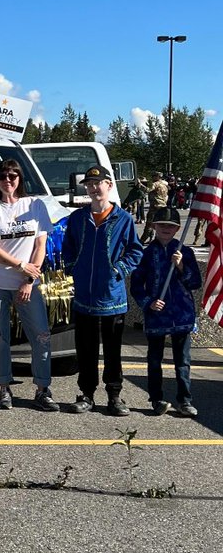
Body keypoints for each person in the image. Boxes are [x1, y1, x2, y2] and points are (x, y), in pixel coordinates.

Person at [0, 161, 59, 412]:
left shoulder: (34, 205)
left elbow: (40, 245)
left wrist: (29, 278)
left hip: (27, 284)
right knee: (0, 337)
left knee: (41, 335)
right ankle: (4, 387)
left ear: (20, 178)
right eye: (2, 175)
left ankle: (43, 388)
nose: (8, 180)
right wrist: (20, 265)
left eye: (13, 175)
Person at [62, 165, 143, 416]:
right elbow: (68, 248)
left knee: (112, 349)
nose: (95, 188)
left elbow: (136, 251)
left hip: (112, 296)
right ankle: (86, 393)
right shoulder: (77, 218)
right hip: (84, 296)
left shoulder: (124, 218)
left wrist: (118, 269)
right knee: (85, 349)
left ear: (109, 186)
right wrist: (74, 267)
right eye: (90, 184)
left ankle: (115, 394)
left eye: (99, 183)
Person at [129, 207, 201, 417]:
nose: (166, 229)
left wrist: (180, 267)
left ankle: (185, 400)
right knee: (154, 359)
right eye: (161, 225)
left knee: (182, 361)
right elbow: (136, 286)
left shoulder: (185, 252)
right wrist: (148, 302)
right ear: (153, 227)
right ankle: (156, 398)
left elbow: (195, 282)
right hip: (157, 315)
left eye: (170, 226)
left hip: (181, 314)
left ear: (177, 228)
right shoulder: (146, 253)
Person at [141, 171, 169, 244]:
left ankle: (142, 240)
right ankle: (156, 239)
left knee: (149, 224)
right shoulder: (164, 185)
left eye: (153, 176)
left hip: (155, 206)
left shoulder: (156, 184)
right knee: (160, 224)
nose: (152, 177)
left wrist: (140, 185)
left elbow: (148, 190)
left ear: (157, 177)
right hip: (163, 206)